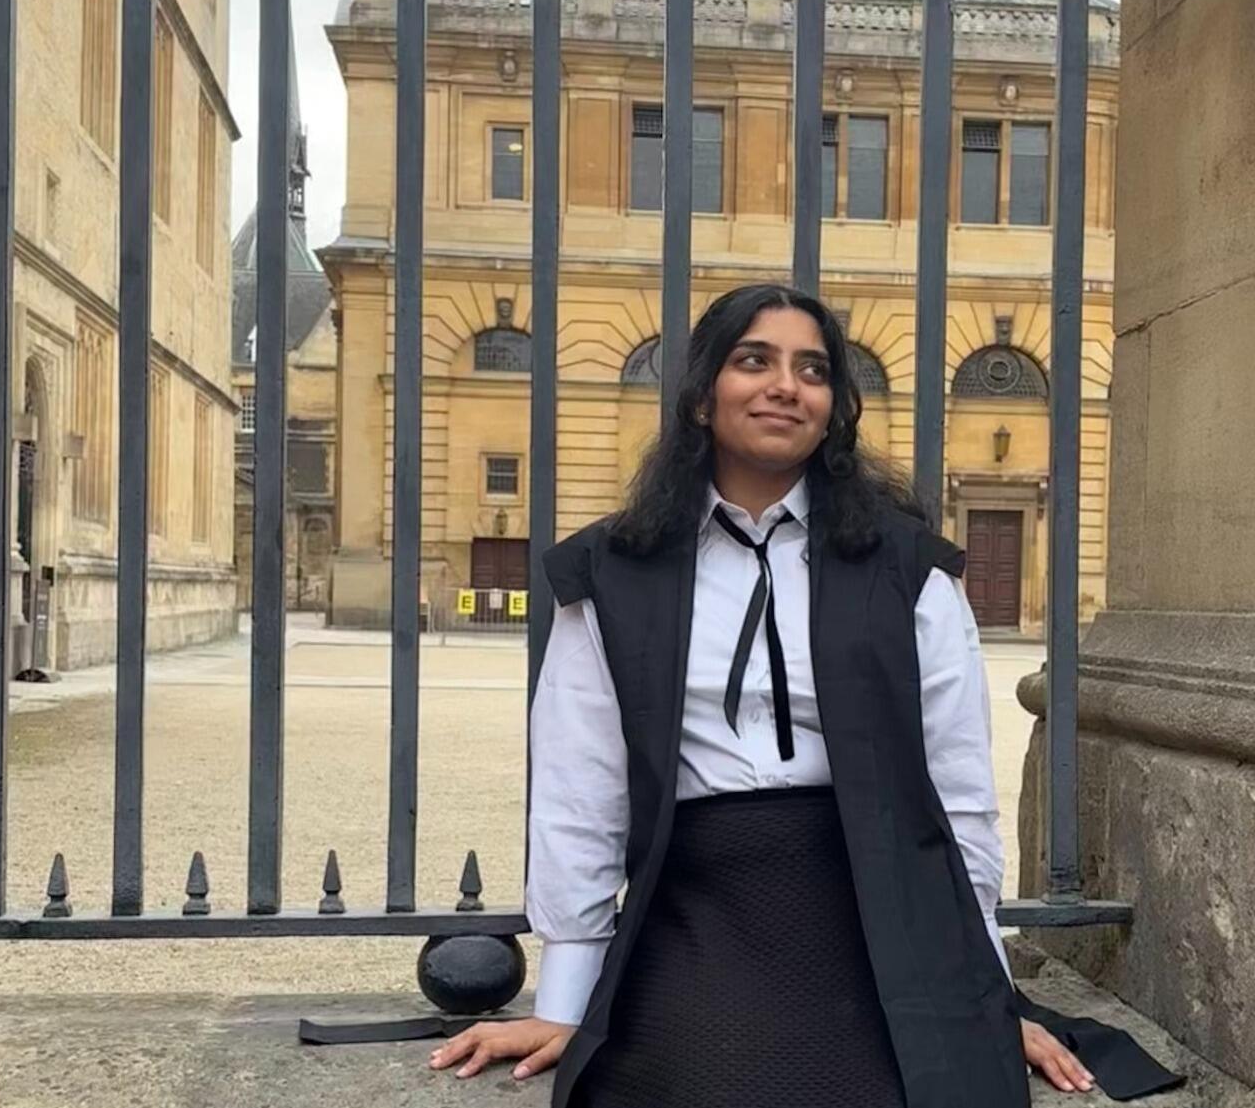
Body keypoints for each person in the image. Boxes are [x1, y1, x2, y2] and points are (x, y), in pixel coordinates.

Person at [427, 284, 1176, 1106]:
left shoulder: (908, 572)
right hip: (698, 903)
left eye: (813, 369)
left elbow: (957, 797)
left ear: (832, 408)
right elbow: (580, 793)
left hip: (877, 903)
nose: (785, 384)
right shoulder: (613, 572)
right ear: (703, 393)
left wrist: (981, 990)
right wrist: (570, 1002)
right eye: (754, 360)